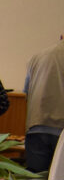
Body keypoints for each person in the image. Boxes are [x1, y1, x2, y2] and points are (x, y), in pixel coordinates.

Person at [24, 34, 64, 173]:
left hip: (36, 126)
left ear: (61, 36)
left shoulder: (37, 57)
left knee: (36, 179)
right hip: (61, 131)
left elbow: (27, 92)